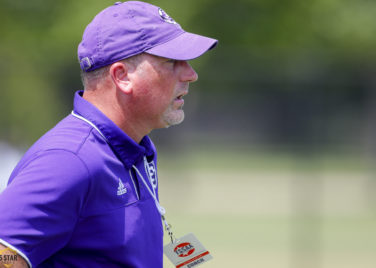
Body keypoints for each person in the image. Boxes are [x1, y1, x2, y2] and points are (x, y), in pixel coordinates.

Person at [0, 1, 217, 267]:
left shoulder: (136, 147)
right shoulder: (68, 160)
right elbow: (5, 254)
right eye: (172, 61)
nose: (191, 74)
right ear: (122, 76)